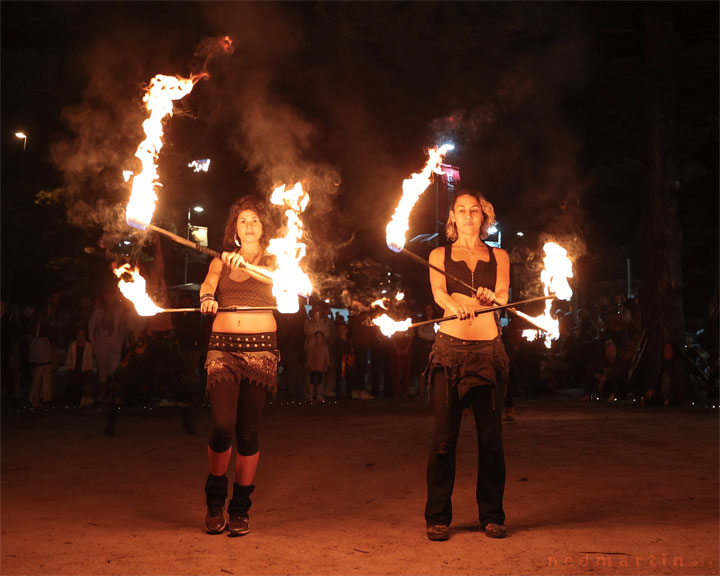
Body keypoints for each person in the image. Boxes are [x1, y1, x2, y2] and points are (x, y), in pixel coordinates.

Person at [423, 190, 510, 542]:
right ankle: (438, 516)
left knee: (491, 441)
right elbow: (439, 294)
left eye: (474, 210)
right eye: (462, 210)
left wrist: (491, 298)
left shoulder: (499, 255)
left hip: (488, 354)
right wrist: (453, 304)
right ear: (453, 218)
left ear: (483, 217)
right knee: (444, 439)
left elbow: (503, 296)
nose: (468, 215)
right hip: (450, 353)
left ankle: (491, 515)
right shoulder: (438, 254)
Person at [199, 194, 279, 537]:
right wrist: (207, 298)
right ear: (235, 226)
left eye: (255, 220)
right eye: (243, 220)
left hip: (261, 351)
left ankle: (240, 509)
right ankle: (215, 501)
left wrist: (247, 266)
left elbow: (275, 282)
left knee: (247, 430)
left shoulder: (277, 260)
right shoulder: (221, 260)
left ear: (263, 228)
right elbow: (208, 284)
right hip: (224, 349)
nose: (249, 225)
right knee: (222, 425)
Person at [64, 327, 94, 406]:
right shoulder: (72, 345)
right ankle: (71, 401)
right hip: (74, 368)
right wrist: (67, 369)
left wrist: (90, 370)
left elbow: (90, 358)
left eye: (82, 335)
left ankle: (77, 402)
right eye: (79, 335)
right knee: (73, 386)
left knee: (80, 386)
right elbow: (69, 358)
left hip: (83, 369)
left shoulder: (89, 346)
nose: (80, 337)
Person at [306, 330, 330, 402]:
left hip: (321, 367)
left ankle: (319, 395)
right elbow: (310, 356)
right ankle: (311, 395)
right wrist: (309, 364)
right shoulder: (313, 348)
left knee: (319, 381)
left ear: (322, 338)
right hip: (313, 367)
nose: (318, 339)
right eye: (317, 337)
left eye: (320, 337)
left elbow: (327, 357)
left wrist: (326, 365)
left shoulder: (325, 348)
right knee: (312, 381)